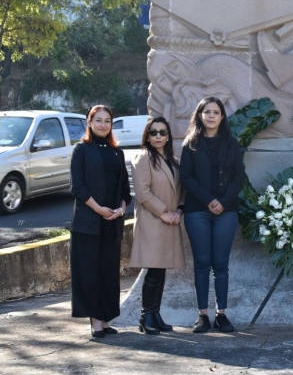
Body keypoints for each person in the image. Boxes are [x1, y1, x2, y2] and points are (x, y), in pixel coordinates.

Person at [180, 96, 245, 333]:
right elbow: (186, 177)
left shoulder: (231, 143)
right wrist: (209, 200)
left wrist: (224, 202)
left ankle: (221, 315)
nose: (211, 116)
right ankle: (202, 316)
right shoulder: (190, 144)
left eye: (216, 112)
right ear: (199, 115)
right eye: (207, 112)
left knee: (221, 265)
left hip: (226, 212)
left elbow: (239, 176)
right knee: (201, 265)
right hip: (197, 212)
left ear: (222, 116)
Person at [69, 105, 132, 338]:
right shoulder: (82, 150)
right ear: (89, 122)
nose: (103, 124)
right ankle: (95, 319)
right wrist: (99, 209)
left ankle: (105, 318)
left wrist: (120, 210)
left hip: (112, 222)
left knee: (108, 271)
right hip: (88, 223)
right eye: (98, 120)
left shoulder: (118, 152)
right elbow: (77, 188)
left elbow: (126, 190)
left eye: (107, 121)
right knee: (89, 272)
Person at [130, 117, 186, 335]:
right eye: (154, 132)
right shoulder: (143, 158)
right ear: (147, 135)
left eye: (162, 132)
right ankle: (146, 316)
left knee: (161, 271)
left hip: (171, 220)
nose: (158, 136)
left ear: (168, 135)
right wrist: (164, 213)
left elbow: (181, 189)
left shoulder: (172, 159)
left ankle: (155, 313)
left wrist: (179, 210)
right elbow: (143, 193)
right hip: (153, 221)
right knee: (153, 270)